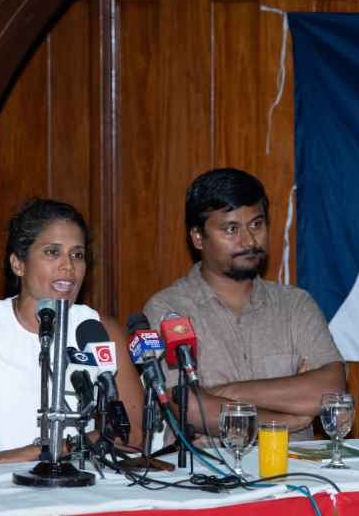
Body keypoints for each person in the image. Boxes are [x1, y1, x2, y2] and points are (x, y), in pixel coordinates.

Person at [0, 199, 145, 464]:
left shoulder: (98, 330)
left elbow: (132, 436)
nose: (68, 266)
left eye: (77, 254)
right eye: (52, 252)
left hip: (73, 491)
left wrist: (42, 453)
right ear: (18, 264)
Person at [144, 168, 346, 439]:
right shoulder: (168, 310)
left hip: (294, 472)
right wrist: (287, 422)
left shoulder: (296, 305)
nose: (249, 241)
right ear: (197, 237)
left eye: (256, 224)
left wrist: (227, 393)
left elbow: (332, 391)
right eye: (231, 229)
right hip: (208, 475)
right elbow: (187, 408)